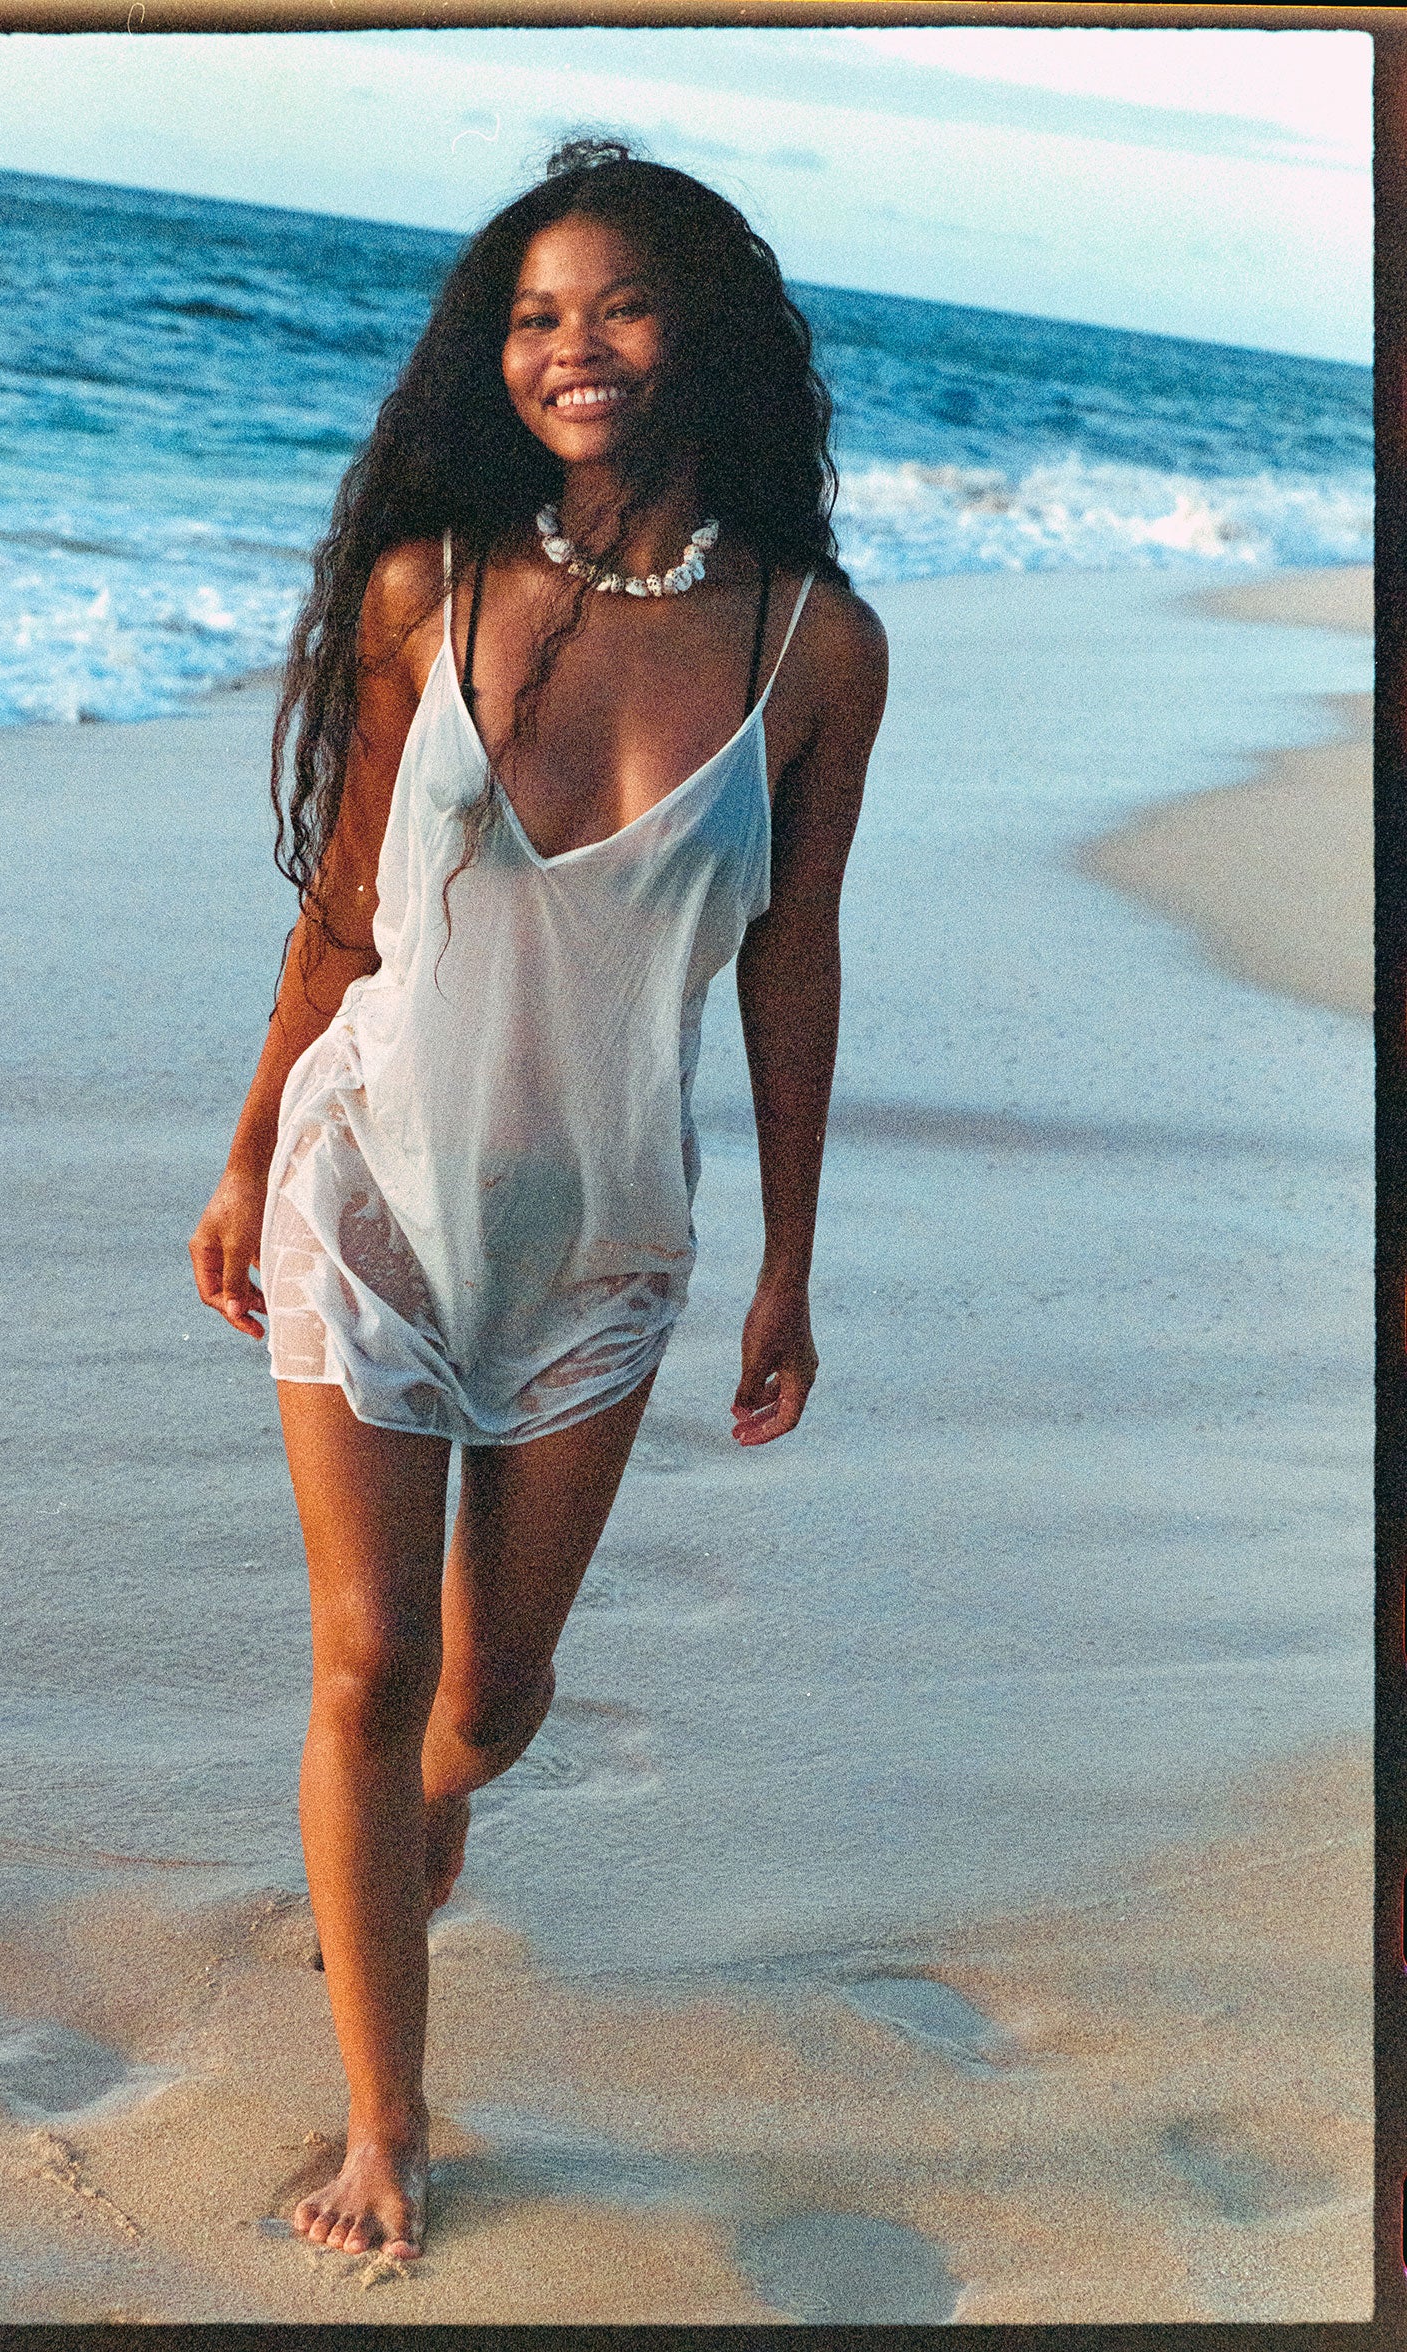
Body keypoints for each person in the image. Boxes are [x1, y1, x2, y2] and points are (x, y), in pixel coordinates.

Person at [189, 137, 888, 2264]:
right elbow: (342, 911)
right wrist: (241, 1149)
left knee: (487, 1707)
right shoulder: (436, 583)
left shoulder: (812, 648)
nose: (568, 350)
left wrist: (788, 1256)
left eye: (613, 307)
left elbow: (792, 948)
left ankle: (408, 1836)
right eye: (528, 317)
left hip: (604, 1236)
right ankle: (387, 2124)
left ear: (705, 337)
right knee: (366, 1654)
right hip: (372, 1188)